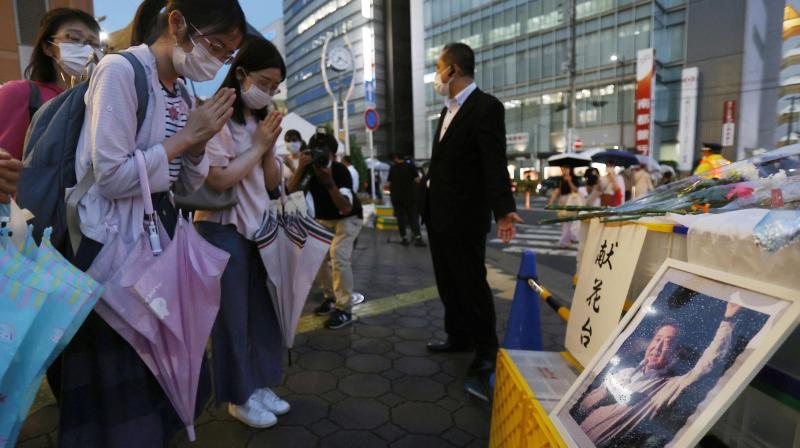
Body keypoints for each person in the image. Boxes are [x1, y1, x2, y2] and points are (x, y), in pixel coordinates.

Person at [55, 1, 245, 446]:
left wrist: (196, 145)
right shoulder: (121, 72)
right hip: (111, 253)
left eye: (228, 55)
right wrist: (186, 138)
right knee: (118, 388)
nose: (217, 61)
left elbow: (185, 184)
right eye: (216, 46)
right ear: (177, 22)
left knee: (154, 374)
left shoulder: (181, 91)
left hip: (153, 246)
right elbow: (112, 175)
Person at [194, 38, 288, 429]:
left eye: (273, 87)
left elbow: (271, 181)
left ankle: (260, 383)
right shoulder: (217, 115)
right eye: (263, 82)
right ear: (241, 73)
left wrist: (268, 147)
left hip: (256, 229)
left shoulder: (257, 119)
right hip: (221, 229)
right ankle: (238, 396)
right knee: (231, 320)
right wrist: (260, 145)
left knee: (262, 316)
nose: (267, 91)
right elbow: (218, 179)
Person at [422, 42, 522, 393]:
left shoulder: (486, 107)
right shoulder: (446, 111)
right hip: (438, 214)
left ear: (453, 70)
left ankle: (485, 352)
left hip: (465, 216)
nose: (436, 75)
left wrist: (504, 210)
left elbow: (494, 161)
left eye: (438, 68)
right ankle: (457, 336)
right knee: (447, 280)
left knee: (471, 284)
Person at [571, 303, 742, 448]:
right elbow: (583, 407)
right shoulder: (625, 372)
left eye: (667, 342)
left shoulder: (667, 388)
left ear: (676, 352)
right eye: (657, 339)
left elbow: (706, 366)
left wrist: (727, 320)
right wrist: (605, 393)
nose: (658, 346)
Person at [0, 8, 101, 160]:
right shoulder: (20, 92)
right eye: (74, 38)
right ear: (48, 47)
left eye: (94, 43)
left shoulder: (99, 101)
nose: (87, 49)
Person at [288, 129, 363, 329]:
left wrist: (329, 182)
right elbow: (290, 193)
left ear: (333, 154)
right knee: (315, 253)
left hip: (348, 217)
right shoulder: (308, 170)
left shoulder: (339, 170)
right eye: (315, 151)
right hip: (325, 219)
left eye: (324, 151)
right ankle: (330, 298)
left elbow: (345, 207)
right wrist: (299, 169)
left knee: (338, 254)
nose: (320, 156)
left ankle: (344, 309)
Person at [387, 153, 424, 246]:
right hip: (410, 198)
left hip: (396, 198)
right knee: (413, 218)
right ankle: (418, 239)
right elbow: (417, 180)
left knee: (400, 219)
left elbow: (388, 183)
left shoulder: (393, 167)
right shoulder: (410, 166)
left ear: (396, 158)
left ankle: (404, 239)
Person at [547, 166, 582, 248]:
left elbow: (576, 190)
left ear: (570, 169)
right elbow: (557, 191)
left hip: (571, 203)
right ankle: (570, 239)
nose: (564, 170)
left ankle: (564, 242)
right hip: (562, 203)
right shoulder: (561, 179)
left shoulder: (573, 178)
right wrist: (551, 202)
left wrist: (569, 181)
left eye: (566, 168)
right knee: (565, 223)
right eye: (563, 168)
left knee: (567, 223)